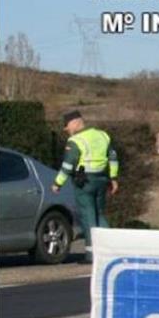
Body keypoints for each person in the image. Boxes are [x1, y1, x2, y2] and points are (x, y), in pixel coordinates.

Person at [52, 111, 119, 262]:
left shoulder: (76, 141)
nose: (67, 130)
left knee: (88, 217)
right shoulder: (103, 135)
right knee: (99, 214)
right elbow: (113, 158)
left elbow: (68, 165)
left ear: (76, 122)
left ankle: (92, 255)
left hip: (84, 183)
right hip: (102, 180)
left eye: (67, 126)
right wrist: (113, 178)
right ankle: (110, 251)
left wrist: (57, 183)